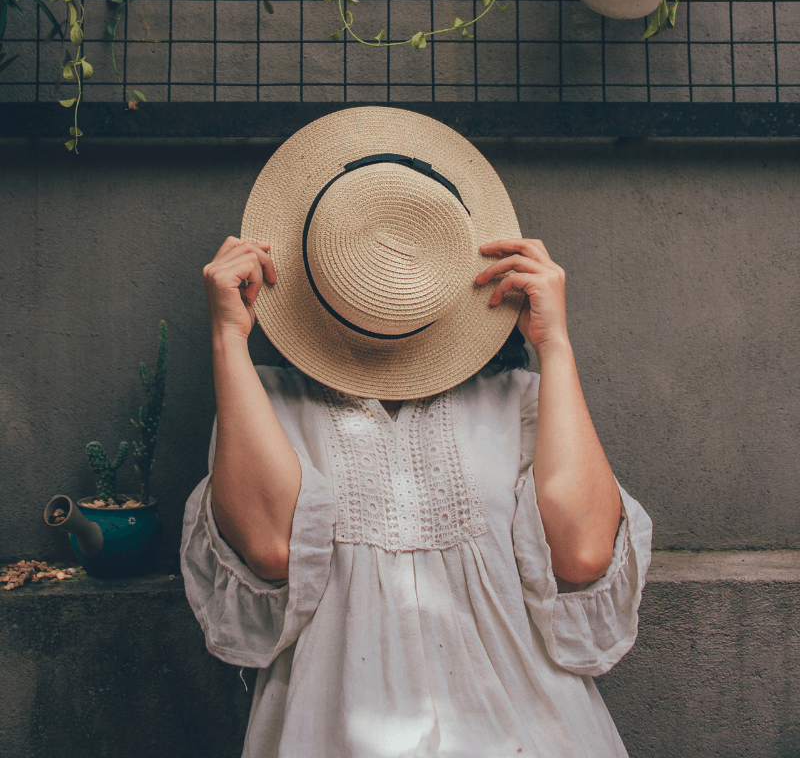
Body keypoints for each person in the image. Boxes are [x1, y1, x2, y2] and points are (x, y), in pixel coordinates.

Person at [181, 108, 652, 758]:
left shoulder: (518, 402)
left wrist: (556, 346)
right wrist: (227, 340)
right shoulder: (270, 403)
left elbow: (582, 554)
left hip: (533, 732)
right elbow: (268, 549)